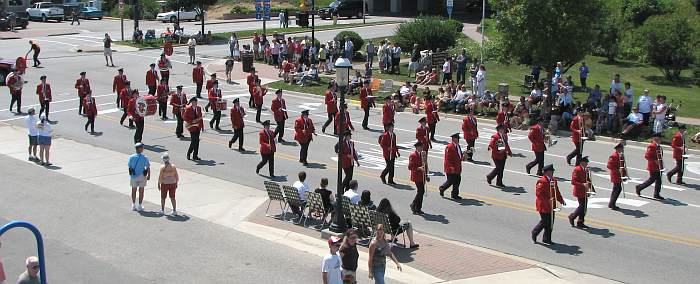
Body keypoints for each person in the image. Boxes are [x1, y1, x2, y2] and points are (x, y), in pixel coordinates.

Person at [531, 164, 565, 244]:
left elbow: (556, 191)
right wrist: (547, 200)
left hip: (552, 205)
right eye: (551, 171)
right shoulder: (542, 181)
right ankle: (535, 232)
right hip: (543, 205)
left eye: (552, 171)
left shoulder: (553, 180)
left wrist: (561, 200)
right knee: (544, 221)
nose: (552, 172)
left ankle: (547, 239)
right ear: (546, 172)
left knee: (550, 223)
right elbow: (539, 194)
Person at [636, 133, 665, 199]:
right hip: (653, 166)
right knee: (652, 180)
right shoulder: (652, 146)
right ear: (656, 138)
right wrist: (656, 161)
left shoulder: (658, 146)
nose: (661, 139)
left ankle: (656, 194)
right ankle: (639, 187)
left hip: (658, 166)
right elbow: (647, 156)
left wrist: (661, 164)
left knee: (659, 180)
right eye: (659, 138)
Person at [439, 133, 465, 199]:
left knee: (458, 180)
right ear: (453, 139)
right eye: (457, 139)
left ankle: (454, 194)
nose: (458, 140)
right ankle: (442, 188)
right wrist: (451, 167)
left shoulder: (458, 146)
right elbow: (448, 158)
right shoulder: (449, 147)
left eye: (458, 139)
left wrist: (463, 157)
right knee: (450, 181)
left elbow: (460, 156)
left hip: (457, 167)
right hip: (451, 168)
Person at [569, 156, 592, 229]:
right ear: (581, 162)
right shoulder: (577, 170)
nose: (587, 164)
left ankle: (580, 221)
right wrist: (582, 184)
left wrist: (591, 189)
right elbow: (573, 182)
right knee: (582, 206)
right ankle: (572, 217)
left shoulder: (585, 169)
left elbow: (587, 179)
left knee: (584, 206)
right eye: (585, 162)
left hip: (585, 190)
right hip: (579, 190)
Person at [128, 143, 150, 211]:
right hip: (142, 176)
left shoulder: (131, 157)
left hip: (133, 176)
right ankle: (140, 205)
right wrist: (149, 175)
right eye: (142, 148)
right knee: (141, 191)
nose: (143, 149)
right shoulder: (144, 157)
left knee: (133, 190)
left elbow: (130, 166)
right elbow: (148, 167)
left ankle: (133, 205)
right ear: (140, 149)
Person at [408, 141, 428, 215]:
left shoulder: (423, 154)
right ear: (417, 147)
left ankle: (418, 208)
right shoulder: (413, 155)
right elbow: (410, 167)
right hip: (416, 176)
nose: (421, 148)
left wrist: (426, 175)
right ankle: (414, 205)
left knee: (420, 192)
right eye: (420, 147)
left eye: (422, 147)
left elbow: (425, 165)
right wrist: (418, 168)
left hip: (422, 176)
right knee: (421, 191)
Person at [607, 143, 627, 210]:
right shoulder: (614, 156)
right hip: (615, 175)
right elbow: (609, 166)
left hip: (620, 175)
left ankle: (611, 203)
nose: (623, 149)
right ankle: (612, 204)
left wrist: (624, 174)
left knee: (616, 189)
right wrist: (618, 170)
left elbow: (623, 166)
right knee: (617, 189)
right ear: (618, 149)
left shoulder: (621, 156)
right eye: (621, 148)